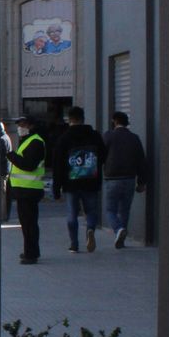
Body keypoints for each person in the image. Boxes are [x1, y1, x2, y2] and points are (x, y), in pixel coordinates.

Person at [52, 106, 107, 253]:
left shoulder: (64, 138)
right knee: (91, 211)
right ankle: (90, 229)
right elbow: (103, 155)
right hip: (91, 180)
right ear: (83, 118)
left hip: (71, 183)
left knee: (72, 215)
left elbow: (57, 165)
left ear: (69, 119)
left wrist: (56, 189)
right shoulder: (95, 136)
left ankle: (74, 243)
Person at [102, 111, 149, 248]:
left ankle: (118, 229)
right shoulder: (134, 138)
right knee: (125, 210)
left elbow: (101, 155)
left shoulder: (108, 136)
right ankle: (121, 239)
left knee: (110, 209)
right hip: (129, 178)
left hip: (112, 178)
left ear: (114, 121)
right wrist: (141, 182)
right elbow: (141, 161)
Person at [5, 114, 46, 264]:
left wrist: (11, 156)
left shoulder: (35, 142)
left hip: (29, 189)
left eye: (22, 124)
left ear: (30, 126)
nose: (19, 128)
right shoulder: (28, 140)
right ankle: (30, 251)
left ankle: (31, 254)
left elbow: (29, 165)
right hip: (24, 190)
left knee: (29, 224)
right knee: (27, 224)